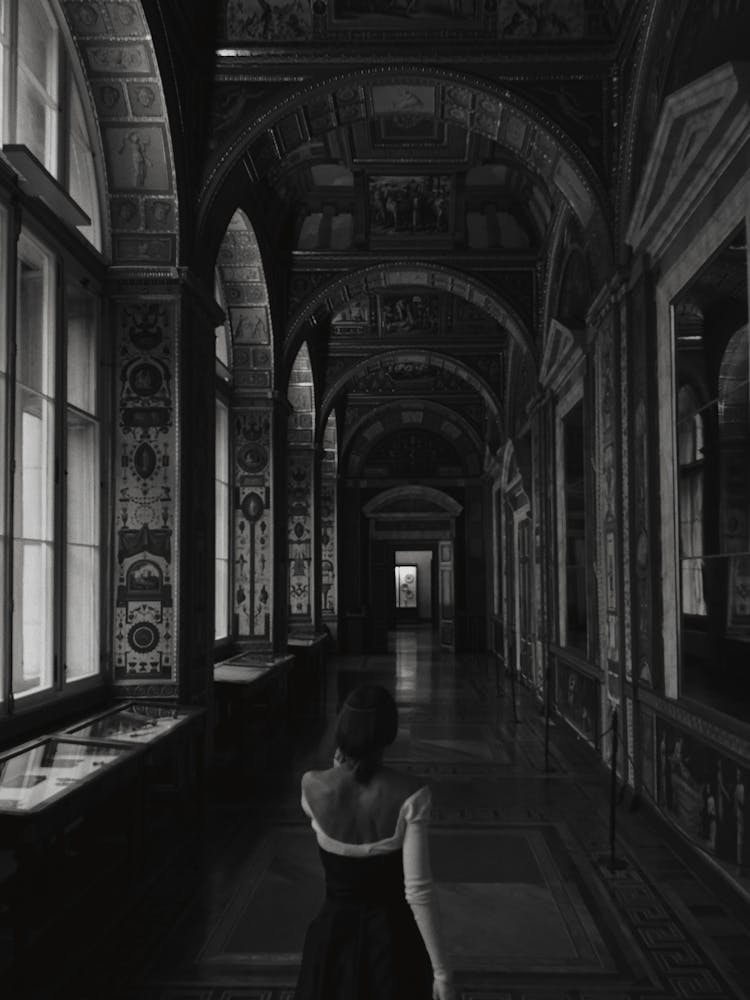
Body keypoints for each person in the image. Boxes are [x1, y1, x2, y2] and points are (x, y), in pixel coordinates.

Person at [295, 683, 455, 999]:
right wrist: (442, 973)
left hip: (331, 941)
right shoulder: (412, 795)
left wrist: (342, 762)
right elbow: (418, 891)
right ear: (388, 733)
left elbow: (344, 785)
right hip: (392, 946)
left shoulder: (311, 787)